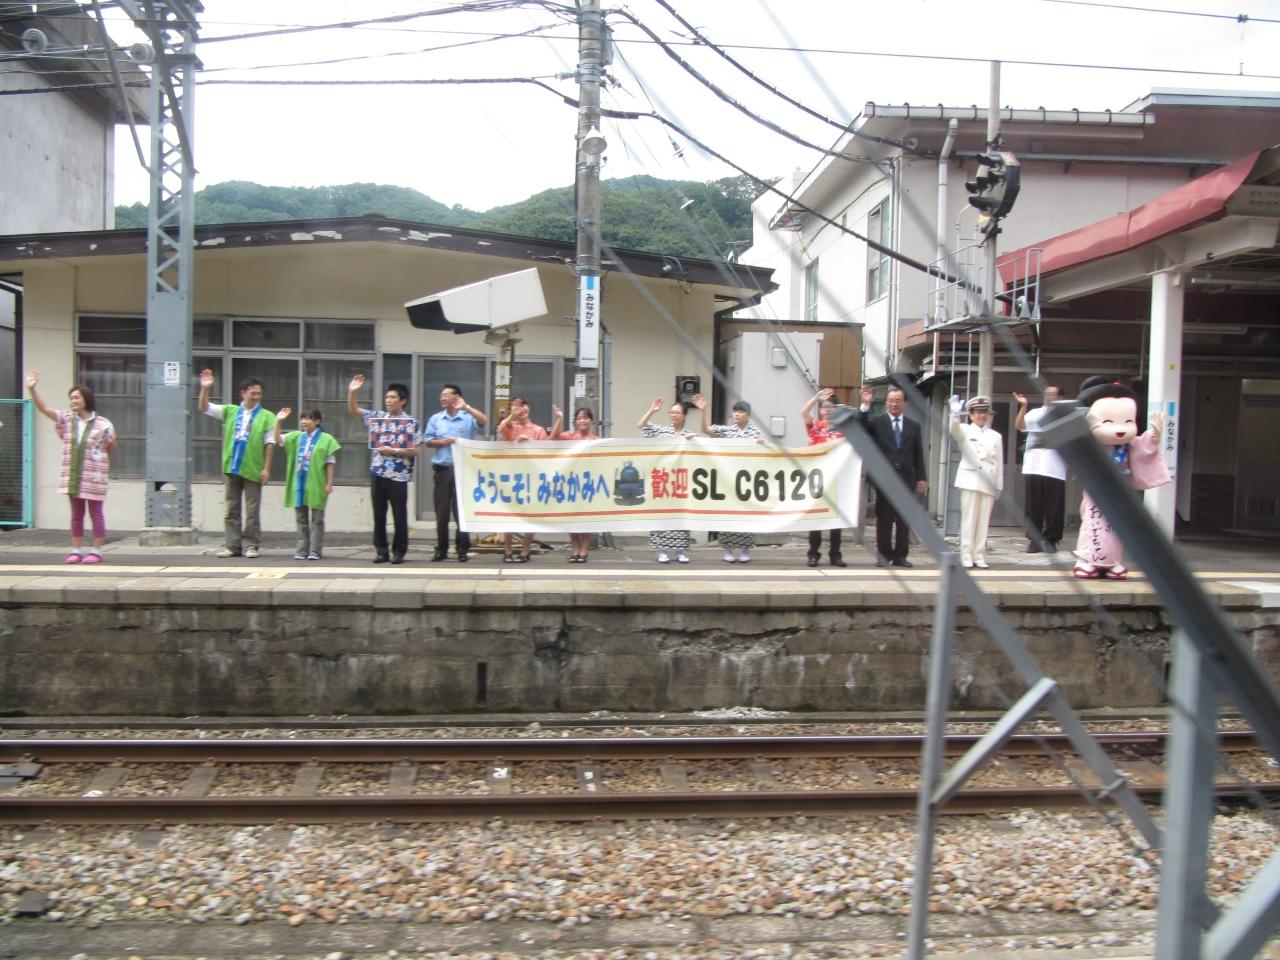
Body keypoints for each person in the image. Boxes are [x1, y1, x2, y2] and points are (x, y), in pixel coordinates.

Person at [26, 370, 118, 565]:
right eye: (71, 398)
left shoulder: (103, 424)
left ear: (86, 399)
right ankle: (76, 550)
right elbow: (45, 409)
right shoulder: (67, 419)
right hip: (73, 475)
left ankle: (97, 551)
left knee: (96, 513)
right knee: (76, 514)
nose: (73, 401)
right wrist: (32, 389)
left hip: (94, 476)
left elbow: (111, 445)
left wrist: (97, 461)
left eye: (76, 397)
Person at [198, 369, 276, 559]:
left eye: (259, 393)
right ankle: (232, 545)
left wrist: (266, 468)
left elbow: (270, 443)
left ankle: (251, 545)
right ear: (243, 393)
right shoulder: (231, 411)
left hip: (253, 468)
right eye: (253, 393)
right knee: (231, 508)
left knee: (252, 509)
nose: (256, 397)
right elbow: (204, 407)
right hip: (232, 466)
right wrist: (205, 388)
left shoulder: (267, 416)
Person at [348, 375, 418, 565]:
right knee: (378, 514)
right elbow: (354, 410)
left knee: (399, 515)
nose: (388, 400)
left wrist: (394, 450)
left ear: (402, 401)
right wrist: (353, 391)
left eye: (393, 397)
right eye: (387, 397)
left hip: (399, 476)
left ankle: (399, 551)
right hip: (378, 472)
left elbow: (415, 450)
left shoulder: (409, 423)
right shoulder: (378, 418)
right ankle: (381, 551)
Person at [858, 385, 927, 568]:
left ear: (904, 403)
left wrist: (921, 477)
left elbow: (918, 453)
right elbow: (862, 428)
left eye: (897, 401)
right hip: (884, 478)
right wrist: (865, 405)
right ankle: (883, 555)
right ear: (886, 403)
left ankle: (900, 556)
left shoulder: (913, 426)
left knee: (904, 519)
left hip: (907, 478)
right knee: (885, 519)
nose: (894, 404)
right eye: (891, 401)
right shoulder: (877, 422)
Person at [421, 382, 488, 562]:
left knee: (461, 513)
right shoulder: (436, 419)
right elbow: (427, 440)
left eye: (447, 395)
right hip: (442, 471)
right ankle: (441, 549)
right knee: (441, 513)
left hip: (462, 471)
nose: (442, 398)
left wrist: (466, 407)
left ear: (456, 397)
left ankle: (462, 549)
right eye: (441, 395)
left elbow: (483, 420)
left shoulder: (467, 417)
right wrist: (442, 442)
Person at [695, 394, 764, 563]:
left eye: (741, 412)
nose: (737, 415)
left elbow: (764, 450)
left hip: (747, 479)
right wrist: (703, 411)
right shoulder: (726, 430)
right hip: (728, 478)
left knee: (747, 515)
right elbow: (706, 430)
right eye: (735, 412)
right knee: (728, 514)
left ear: (748, 415)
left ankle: (746, 549)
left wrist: (762, 444)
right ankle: (727, 549)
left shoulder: (756, 432)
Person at [273, 407, 341, 561]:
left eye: (308, 418)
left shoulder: (326, 439)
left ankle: (315, 550)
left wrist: (329, 483)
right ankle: (302, 549)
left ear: (317, 421)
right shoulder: (296, 437)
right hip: (299, 483)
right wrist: (278, 421)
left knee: (317, 518)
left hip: (317, 483)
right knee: (301, 518)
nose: (304, 421)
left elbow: (330, 463)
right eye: (302, 418)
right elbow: (278, 439)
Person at [497, 396, 558, 563]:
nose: (521, 409)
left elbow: (546, 450)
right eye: (516, 406)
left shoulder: (538, 430)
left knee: (531, 515)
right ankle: (508, 550)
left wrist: (530, 443)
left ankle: (525, 550)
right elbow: (502, 428)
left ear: (529, 408)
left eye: (523, 405)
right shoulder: (510, 426)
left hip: (532, 477)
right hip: (512, 476)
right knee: (510, 514)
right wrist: (512, 415)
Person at [637, 395, 696, 563]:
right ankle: (661, 550)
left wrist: (692, 441)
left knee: (681, 515)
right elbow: (641, 425)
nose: (673, 415)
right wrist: (652, 410)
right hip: (663, 477)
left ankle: (680, 551)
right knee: (661, 513)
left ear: (684, 415)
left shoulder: (690, 434)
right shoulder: (662, 431)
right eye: (671, 412)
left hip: (681, 480)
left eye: (677, 413)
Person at [948, 395, 1004, 569]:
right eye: (978, 412)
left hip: (989, 479)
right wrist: (955, 415)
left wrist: (999, 485)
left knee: (983, 521)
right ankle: (966, 554)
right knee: (969, 519)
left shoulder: (996, 436)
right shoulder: (965, 429)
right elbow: (954, 432)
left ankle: (979, 555)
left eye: (984, 412)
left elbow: (999, 461)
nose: (981, 416)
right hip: (971, 478)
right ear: (971, 415)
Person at [1013, 386, 1067, 553]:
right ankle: (1034, 540)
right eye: (1046, 394)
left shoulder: (1065, 416)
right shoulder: (1035, 413)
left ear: (1061, 398)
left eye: (1052, 394)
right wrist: (1023, 406)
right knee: (1033, 506)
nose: (1048, 397)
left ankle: (1052, 540)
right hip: (1034, 465)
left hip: (1055, 467)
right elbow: (1019, 426)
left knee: (1054, 507)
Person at [801, 387, 847, 567]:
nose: (827, 410)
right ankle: (813, 554)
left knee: (836, 518)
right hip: (817, 478)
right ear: (820, 410)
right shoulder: (816, 426)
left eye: (831, 407)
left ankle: (835, 554)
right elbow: (804, 413)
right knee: (816, 517)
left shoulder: (843, 430)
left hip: (837, 478)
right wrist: (815, 398)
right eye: (824, 407)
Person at [553, 406, 600, 562]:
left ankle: (584, 550)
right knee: (571, 517)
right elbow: (553, 439)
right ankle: (575, 549)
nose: (582, 421)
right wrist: (560, 418)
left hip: (589, 483)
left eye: (585, 417)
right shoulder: (569, 436)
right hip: (571, 483)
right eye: (579, 418)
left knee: (586, 518)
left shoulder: (597, 440)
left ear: (591, 421)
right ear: (575, 421)